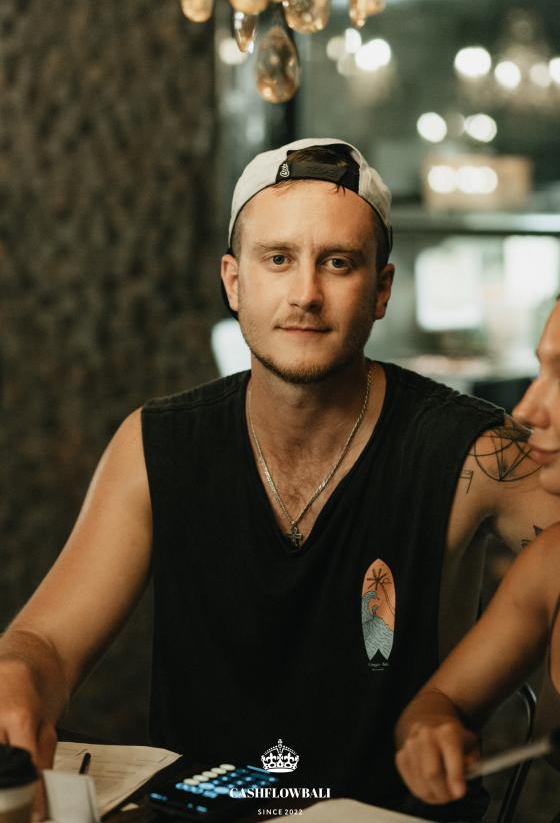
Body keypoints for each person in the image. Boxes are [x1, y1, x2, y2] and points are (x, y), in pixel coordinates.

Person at [1, 138, 559, 821]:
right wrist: (17, 675)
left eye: (338, 263)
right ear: (234, 281)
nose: (305, 294)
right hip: (200, 814)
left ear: (381, 290)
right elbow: (47, 645)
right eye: (278, 259)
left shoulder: (471, 451)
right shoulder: (158, 444)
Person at [395, 297, 560, 809]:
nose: (526, 410)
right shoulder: (551, 561)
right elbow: (437, 703)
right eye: (542, 370)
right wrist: (430, 731)